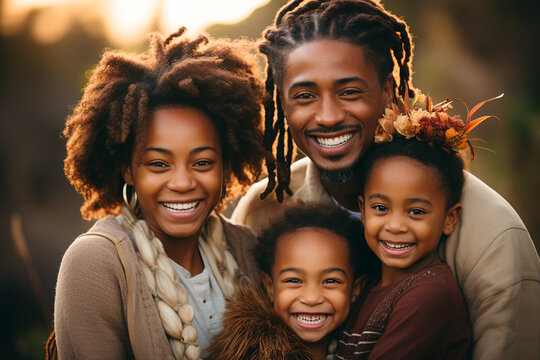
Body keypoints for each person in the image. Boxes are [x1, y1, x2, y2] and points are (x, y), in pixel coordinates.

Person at [231, 1, 540, 359]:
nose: (328, 116)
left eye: (349, 92)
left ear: (389, 91)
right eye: (304, 96)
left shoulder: (493, 236)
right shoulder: (265, 210)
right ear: (282, 104)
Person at [51, 28, 266, 359]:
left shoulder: (246, 247)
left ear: (225, 164)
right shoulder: (96, 264)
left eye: (203, 162)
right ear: (128, 170)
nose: (182, 183)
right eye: (158, 164)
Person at [337, 94, 475, 358]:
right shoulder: (365, 285)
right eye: (380, 208)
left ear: (450, 219)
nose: (396, 225)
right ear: (362, 209)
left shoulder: (430, 296)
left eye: (416, 211)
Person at [208, 204, 376, 360]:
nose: (311, 298)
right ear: (270, 287)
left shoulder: (368, 345)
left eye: (330, 281)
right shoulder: (245, 353)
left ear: (355, 289)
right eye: (294, 280)